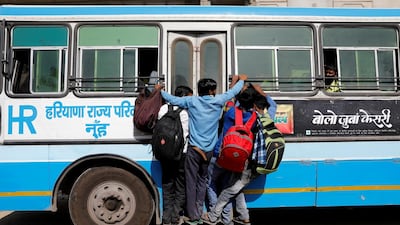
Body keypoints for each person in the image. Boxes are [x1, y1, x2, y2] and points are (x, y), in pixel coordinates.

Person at [159, 74, 248, 225]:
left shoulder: (192, 101)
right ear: (212, 90)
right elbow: (232, 92)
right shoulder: (219, 101)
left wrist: (160, 90)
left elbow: (172, 100)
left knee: (191, 182)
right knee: (202, 181)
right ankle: (200, 210)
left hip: (194, 150)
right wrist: (242, 80)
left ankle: (193, 215)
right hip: (209, 151)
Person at [203, 84, 277, 225]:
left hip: (222, 155)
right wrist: (259, 92)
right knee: (233, 187)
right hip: (243, 160)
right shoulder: (256, 118)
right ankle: (237, 217)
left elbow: (231, 103)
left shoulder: (231, 113)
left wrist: (237, 87)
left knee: (217, 184)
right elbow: (272, 105)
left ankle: (214, 216)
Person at [157, 85, 193, 225]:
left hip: (164, 153)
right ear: (183, 97)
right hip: (180, 154)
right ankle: (176, 215)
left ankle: (166, 217)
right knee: (180, 185)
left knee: (167, 184)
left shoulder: (163, 109)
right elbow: (187, 133)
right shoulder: (185, 112)